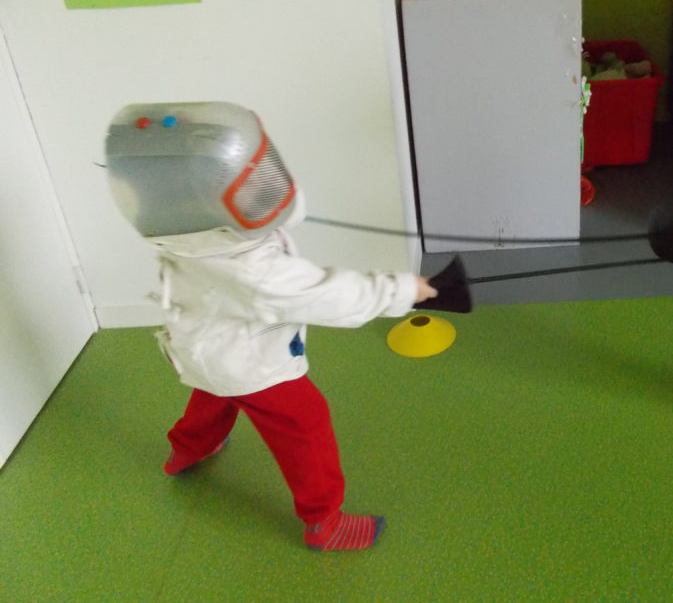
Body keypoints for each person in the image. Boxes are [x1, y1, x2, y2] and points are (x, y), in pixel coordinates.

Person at [105, 101, 438, 550]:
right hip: (250, 360)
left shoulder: (183, 231)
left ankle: (186, 449)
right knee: (305, 421)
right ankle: (325, 522)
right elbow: (325, 294)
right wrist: (403, 290)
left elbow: (279, 217)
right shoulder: (249, 266)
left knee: (215, 391)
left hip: (202, 344)